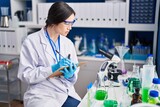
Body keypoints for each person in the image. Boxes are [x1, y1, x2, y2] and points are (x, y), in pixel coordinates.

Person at [17, 1, 81, 107]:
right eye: (67, 23)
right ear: (54, 21)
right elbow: (25, 75)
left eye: (72, 22)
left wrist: (70, 75)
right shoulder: (31, 41)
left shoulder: (67, 43)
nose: (70, 27)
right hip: (41, 95)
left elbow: (75, 72)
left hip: (65, 91)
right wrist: (52, 68)